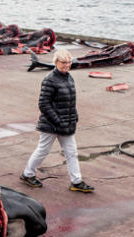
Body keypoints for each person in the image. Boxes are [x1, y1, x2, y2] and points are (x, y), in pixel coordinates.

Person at [20, 49, 94, 193]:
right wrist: (57, 121)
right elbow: (43, 104)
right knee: (43, 150)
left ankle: (76, 181)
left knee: (72, 152)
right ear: (56, 62)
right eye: (64, 62)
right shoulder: (49, 79)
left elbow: (70, 101)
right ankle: (27, 174)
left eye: (69, 62)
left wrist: (74, 115)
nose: (67, 65)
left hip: (67, 123)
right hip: (51, 124)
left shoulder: (68, 77)